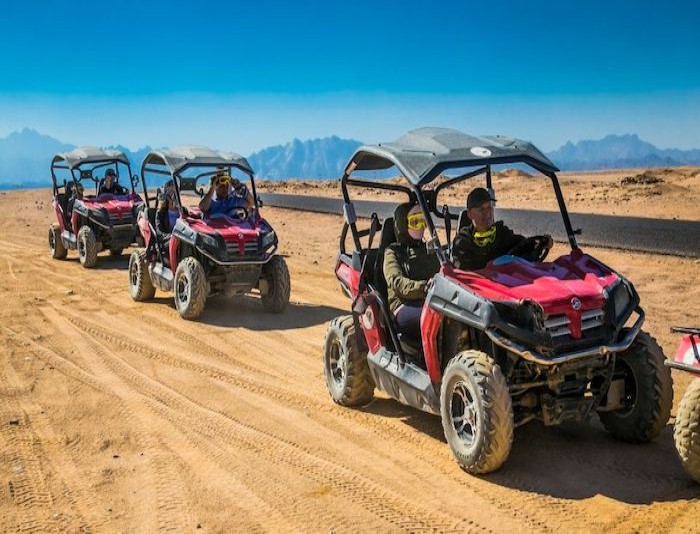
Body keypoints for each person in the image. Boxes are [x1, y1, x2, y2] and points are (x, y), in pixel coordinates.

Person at [451, 187, 553, 271]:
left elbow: (523, 245)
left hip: (507, 287)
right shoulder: (463, 242)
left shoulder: (502, 233)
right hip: (480, 292)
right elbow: (464, 277)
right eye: (481, 209)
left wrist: (541, 243)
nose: (487, 213)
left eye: (489, 208)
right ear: (470, 214)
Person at [383, 203, 440, 336]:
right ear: (403, 225)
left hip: (430, 300)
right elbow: (396, 282)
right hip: (403, 305)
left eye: (422, 221)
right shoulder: (392, 252)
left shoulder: (428, 249)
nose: (421, 227)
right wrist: (423, 288)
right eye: (415, 222)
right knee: (437, 318)